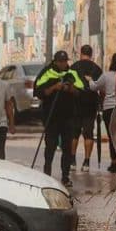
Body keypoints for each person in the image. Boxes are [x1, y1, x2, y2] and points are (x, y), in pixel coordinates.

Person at [35, 50, 84, 187]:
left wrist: (71, 89)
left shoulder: (72, 73)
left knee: (67, 147)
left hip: (68, 116)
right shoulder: (47, 72)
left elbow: (81, 92)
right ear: (55, 61)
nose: (63, 64)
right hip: (51, 116)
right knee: (50, 145)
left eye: (65, 61)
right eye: (60, 61)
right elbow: (38, 92)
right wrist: (54, 87)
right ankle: (47, 172)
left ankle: (65, 176)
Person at [70, 44, 103, 172]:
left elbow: (68, 85)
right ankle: (87, 162)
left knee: (74, 133)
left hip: (75, 104)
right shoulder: (97, 69)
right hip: (91, 104)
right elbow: (101, 89)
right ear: (91, 54)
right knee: (88, 133)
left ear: (80, 53)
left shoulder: (74, 67)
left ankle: (72, 160)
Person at [93, 52, 116, 173]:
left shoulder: (106, 76)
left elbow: (94, 87)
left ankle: (114, 164)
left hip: (109, 109)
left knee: (112, 137)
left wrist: (88, 80)